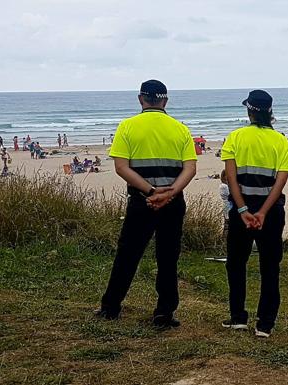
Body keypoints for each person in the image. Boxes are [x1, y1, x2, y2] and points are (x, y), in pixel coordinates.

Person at [96, 80, 197, 330]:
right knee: (168, 257)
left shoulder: (128, 126)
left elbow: (121, 167)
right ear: (165, 101)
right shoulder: (180, 129)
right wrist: (170, 192)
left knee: (128, 255)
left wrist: (151, 191)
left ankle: (111, 307)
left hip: (142, 201)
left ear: (141, 99)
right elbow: (190, 168)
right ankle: (164, 311)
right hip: (173, 202)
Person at [220, 89, 288, 338]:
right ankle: (265, 324)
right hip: (271, 212)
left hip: (242, 210)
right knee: (270, 267)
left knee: (236, 264)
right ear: (270, 112)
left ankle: (238, 317)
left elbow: (231, 178)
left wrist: (242, 210)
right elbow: (280, 181)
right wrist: (262, 212)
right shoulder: (281, 141)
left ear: (249, 111)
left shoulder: (235, 137)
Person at [219, 169, 232, 237]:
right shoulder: (224, 186)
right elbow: (229, 194)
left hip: (229, 206)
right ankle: (224, 238)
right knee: (227, 222)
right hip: (228, 206)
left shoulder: (227, 185)